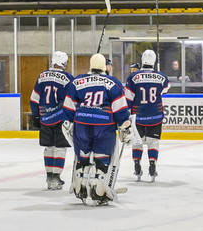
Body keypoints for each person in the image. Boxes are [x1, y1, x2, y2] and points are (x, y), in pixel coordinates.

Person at [62, 53, 131, 205]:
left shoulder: (77, 81)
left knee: (82, 158)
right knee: (101, 160)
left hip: (81, 125)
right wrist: (125, 126)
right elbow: (119, 109)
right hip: (104, 125)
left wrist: (68, 121)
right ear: (104, 66)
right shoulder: (112, 82)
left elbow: (68, 106)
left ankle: (80, 188)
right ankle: (98, 191)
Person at [125, 49, 170, 182]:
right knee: (153, 142)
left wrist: (126, 115)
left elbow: (128, 98)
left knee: (137, 142)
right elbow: (165, 89)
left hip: (137, 117)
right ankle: (152, 164)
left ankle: (137, 165)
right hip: (155, 116)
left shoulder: (133, 77)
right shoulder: (161, 77)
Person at [29, 51, 73, 190]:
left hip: (45, 118)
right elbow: (70, 101)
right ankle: (56, 176)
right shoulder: (68, 78)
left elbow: (34, 99)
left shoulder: (42, 76)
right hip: (60, 118)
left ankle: (49, 177)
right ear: (64, 63)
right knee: (60, 148)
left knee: (49, 147)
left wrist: (36, 115)